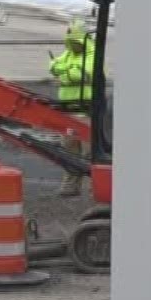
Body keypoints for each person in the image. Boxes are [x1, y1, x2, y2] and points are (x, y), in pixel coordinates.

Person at [50, 19, 96, 196]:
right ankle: (71, 187)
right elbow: (53, 66)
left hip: (86, 110)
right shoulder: (69, 53)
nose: (72, 45)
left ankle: (96, 188)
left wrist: (64, 75)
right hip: (68, 111)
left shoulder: (93, 54)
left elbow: (84, 74)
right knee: (69, 150)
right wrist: (68, 70)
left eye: (75, 42)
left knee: (89, 152)